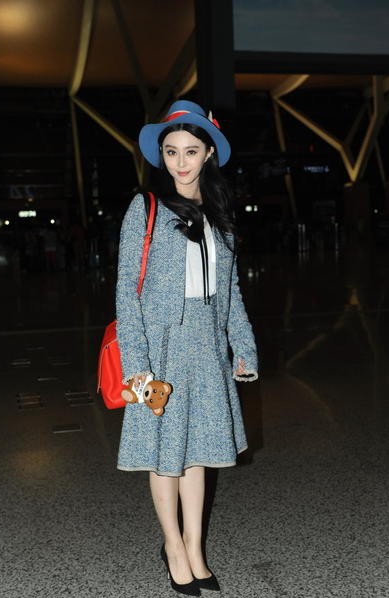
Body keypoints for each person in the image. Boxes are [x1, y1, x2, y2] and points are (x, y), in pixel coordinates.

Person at [116, 100, 258, 596]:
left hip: (208, 345)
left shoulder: (219, 212)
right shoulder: (146, 207)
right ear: (161, 155)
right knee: (165, 453)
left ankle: (196, 548)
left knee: (198, 453)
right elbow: (126, 292)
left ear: (208, 154)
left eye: (191, 151)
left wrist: (242, 345)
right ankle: (173, 547)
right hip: (162, 345)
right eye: (171, 151)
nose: (180, 161)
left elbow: (230, 288)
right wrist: (138, 367)